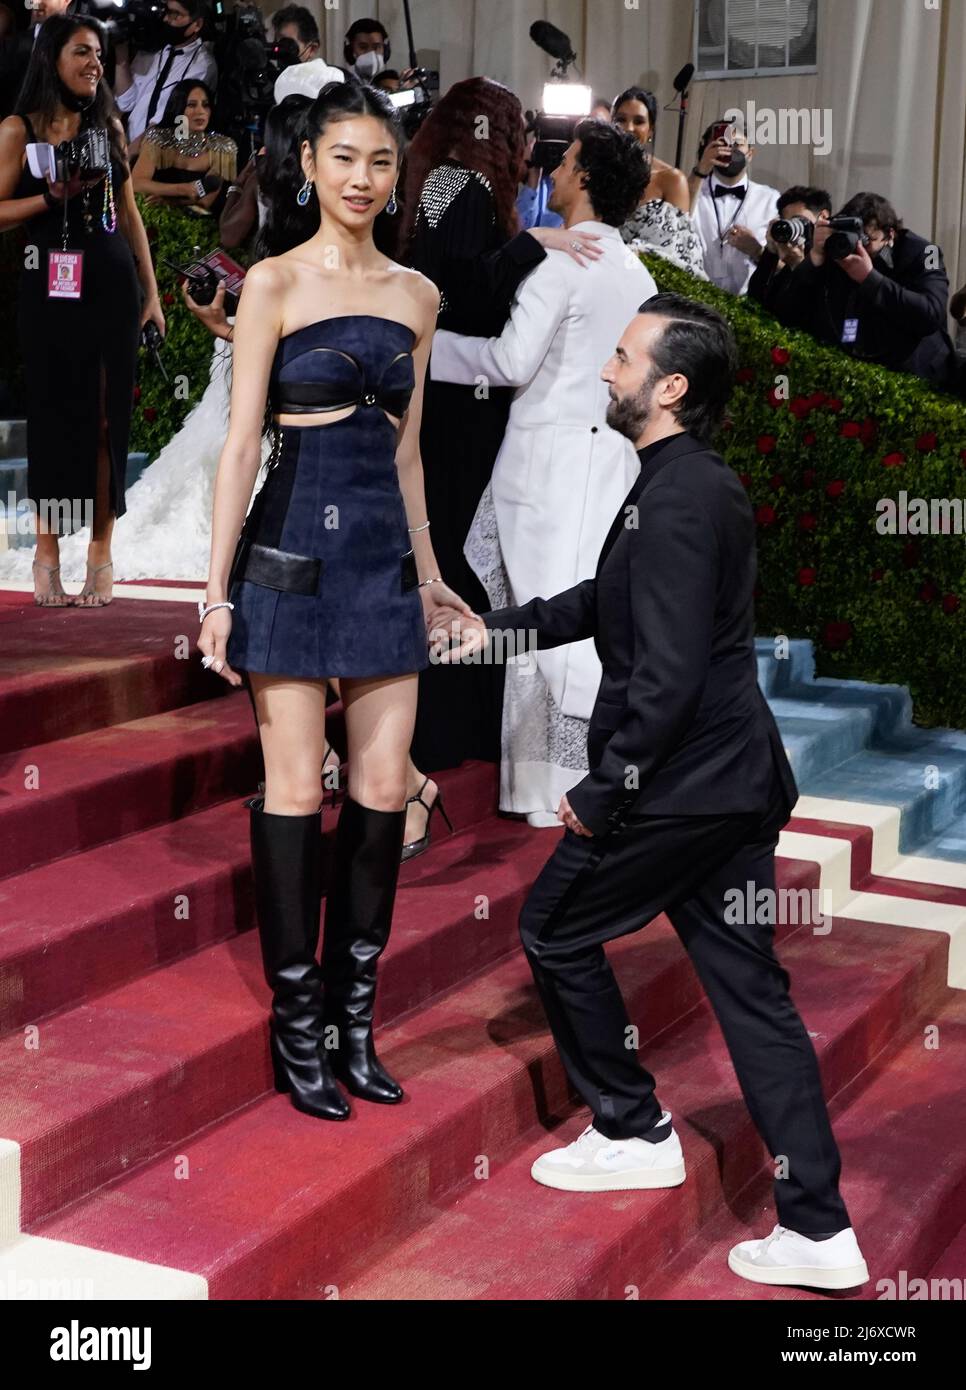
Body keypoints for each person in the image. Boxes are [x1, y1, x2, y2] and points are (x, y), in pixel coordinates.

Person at [429, 292, 870, 1293]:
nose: (604, 370)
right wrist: (489, 632)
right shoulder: (681, 484)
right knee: (754, 998)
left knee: (552, 927)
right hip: (729, 783)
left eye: (622, 357)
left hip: (680, 786)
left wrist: (605, 785)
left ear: (669, 386)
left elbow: (664, 678)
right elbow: (603, 604)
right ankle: (818, 1226)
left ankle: (631, 1125)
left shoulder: (675, 498)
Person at [197, 78, 477, 1122]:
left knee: (379, 790)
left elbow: (407, 457)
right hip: (284, 557)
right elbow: (239, 450)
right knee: (288, 792)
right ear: (310, 165)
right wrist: (214, 592)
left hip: (379, 569)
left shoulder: (416, 294)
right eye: (344, 158)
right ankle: (296, 1018)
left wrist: (432, 569)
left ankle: (356, 1022)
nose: (362, 178)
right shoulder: (270, 283)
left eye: (380, 162)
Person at [430, 121, 656, 827]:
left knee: (540, 624)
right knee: (580, 615)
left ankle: (552, 791)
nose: (552, 172)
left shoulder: (562, 266)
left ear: (585, 179)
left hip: (549, 465)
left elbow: (507, 364)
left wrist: (418, 341)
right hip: (612, 462)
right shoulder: (637, 270)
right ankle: (568, 784)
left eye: (567, 164)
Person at [396, 76, 603, 798]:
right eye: (516, 127)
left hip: (450, 401)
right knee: (453, 560)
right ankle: (445, 727)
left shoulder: (439, 180)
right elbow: (446, 294)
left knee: (450, 556)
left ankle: (444, 723)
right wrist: (532, 247)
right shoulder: (464, 187)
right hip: (457, 409)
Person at [0, 13, 164, 606]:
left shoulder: (109, 125)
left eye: (99, 53)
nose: (95, 63)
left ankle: (101, 550)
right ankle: (47, 555)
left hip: (111, 280)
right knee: (53, 420)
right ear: (51, 58)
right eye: (83, 52)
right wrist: (49, 197)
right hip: (47, 283)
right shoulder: (18, 130)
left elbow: (130, 212)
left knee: (104, 421)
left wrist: (150, 293)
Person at [777, 191, 957, 386]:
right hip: (854, 369)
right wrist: (814, 259)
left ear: (889, 234)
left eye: (867, 241)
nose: (858, 249)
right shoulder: (838, 249)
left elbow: (931, 313)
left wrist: (869, 278)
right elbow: (789, 314)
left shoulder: (926, 252)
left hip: (917, 371)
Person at [612, 85, 705, 277]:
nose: (629, 128)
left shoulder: (671, 179)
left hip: (655, 289)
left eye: (638, 121)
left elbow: (682, 253)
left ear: (650, 129)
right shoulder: (596, 175)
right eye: (621, 120)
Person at [689, 119, 779, 294]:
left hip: (748, 306)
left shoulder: (770, 200)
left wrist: (757, 251)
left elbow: (785, 266)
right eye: (722, 143)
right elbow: (677, 219)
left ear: (750, 154)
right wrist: (701, 168)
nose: (729, 150)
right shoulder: (691, 191)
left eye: (737, 144)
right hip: (692, 298)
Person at [114, 0, 215, 155]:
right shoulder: (153, 50)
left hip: (163, 156)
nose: (166, 19)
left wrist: (124, 159)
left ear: (197, 24)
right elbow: (125, 102)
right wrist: (121, 54)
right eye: (166, 12)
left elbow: (162, 124)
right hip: (130, 147)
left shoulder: (202, 66)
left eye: (175, 14)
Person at [132, 78, 235, 213]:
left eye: (205, 105)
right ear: (179, 107)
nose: (200, 111)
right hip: (152, 214)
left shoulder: (223, 147)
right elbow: (136, 184)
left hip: (197, 224)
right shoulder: (159, 139)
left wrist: (170, 203)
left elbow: (204, 203)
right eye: (192, 105)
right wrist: (184, 189)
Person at [746, 183, 831, 315]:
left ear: (823, 217)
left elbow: (815, 313)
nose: (795, 229)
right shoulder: (788, 262)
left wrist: (798, 266)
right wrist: (771, 251)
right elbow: (755, 303)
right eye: (789, 223)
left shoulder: (836, 261)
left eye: (800, 221)